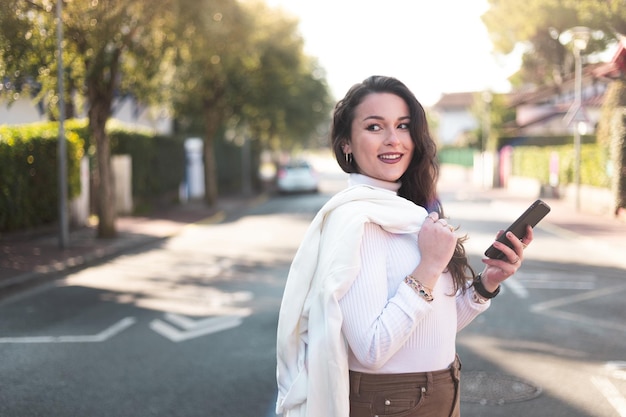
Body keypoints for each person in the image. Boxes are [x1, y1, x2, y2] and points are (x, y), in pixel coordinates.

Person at [275, 75, 532, 417]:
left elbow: (433, 326)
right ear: (346, 143)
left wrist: (487, 284)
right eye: (375, 127)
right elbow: (371, 349)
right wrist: (429, 267)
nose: (393, 139)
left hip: (440, 391)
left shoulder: (408, 212)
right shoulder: (357, 221)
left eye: (403, 125)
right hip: (391, 403)